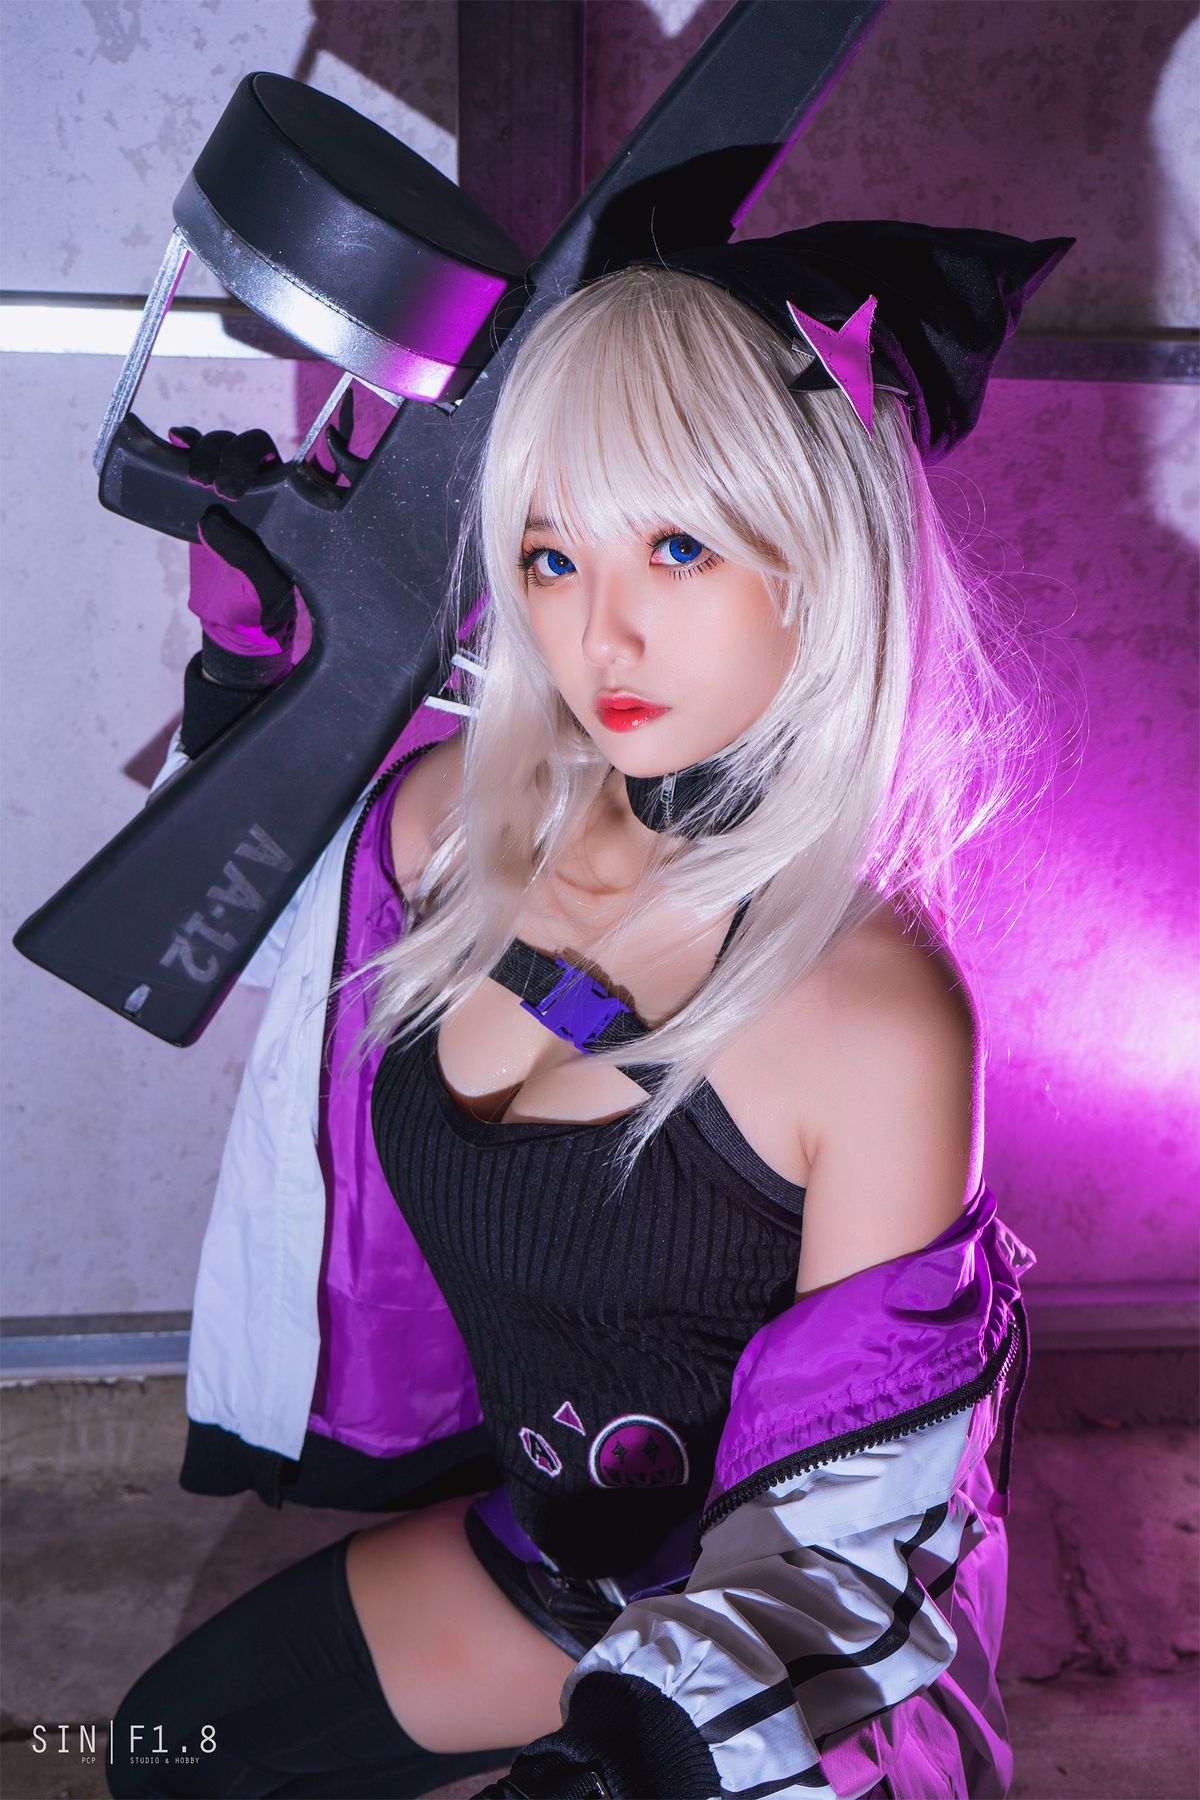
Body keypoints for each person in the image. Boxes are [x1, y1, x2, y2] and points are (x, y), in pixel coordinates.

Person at [108, 220, 1070, 1799]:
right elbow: (244, 953)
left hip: (761, 1643)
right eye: (554, 557)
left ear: (824, 552)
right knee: (159, 1750)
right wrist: (257, 681)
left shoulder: (875, 1015)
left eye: (676, 550)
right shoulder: (456, 825)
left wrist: (654, 1755)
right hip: (545, 1558)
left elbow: (863, 1527)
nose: (599, 634)